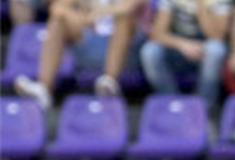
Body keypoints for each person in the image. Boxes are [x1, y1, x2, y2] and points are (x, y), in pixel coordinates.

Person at [14, 0, 146, 108]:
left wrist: (101, 12)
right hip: (93, 41)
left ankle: (110, 82)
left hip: (128, 52)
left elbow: (130, 7)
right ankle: (44, 88)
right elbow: (58, 9)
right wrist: (82, 19)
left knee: (124, 19)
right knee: (58, 20)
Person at [140, 0, 231, 110]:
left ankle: (203, 108)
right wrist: (183, 45)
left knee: (216, 49)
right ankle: (173, 104)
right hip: (178, 49)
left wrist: (200, 5)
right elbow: (158, 34)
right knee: (149, 51)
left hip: (204, 51)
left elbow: (217, 37)